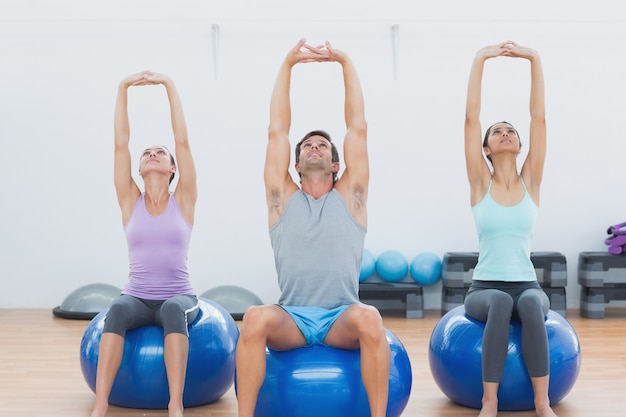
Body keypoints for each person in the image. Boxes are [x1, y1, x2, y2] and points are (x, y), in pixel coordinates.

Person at [235, 39, 390, 417]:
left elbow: (358, 128)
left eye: (323, 145)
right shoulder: (281, 199)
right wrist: (288, 64)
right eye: (307, 146)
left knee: (371, 318)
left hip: (342, 316)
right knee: (254, 317)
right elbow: (276, 131)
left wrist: (345, 61)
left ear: (337, 166)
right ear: (296, 165)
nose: (314, 147)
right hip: (293, 319)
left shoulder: (351, 196)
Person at [90, 71, 198, 417]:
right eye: (146, 153)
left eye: (160, 153)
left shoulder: (184, 199)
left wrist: (170, 85)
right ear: (138, 169)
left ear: (172, 169)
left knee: (170, 310)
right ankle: (101, 403)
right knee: (117, 309)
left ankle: (176, 404)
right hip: (136, 296)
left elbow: (182, 141)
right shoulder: (129, 202)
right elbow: (120, 143)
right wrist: (122, 88)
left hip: (179, 296)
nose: (152, 155)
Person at [463, 42, 555, 417]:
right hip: (484, 288)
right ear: (485, 148)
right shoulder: (479, 183)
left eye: (510, 131)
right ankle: (490, 401)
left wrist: (534, 58)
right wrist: (480, 59)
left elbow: (539, 119)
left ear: (519, 146)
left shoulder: (530, 181)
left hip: (527, 284)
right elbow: (470, 119)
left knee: (531, 302)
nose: (505, 134)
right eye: (497, 132)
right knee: (501, 302)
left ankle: (542, 402)